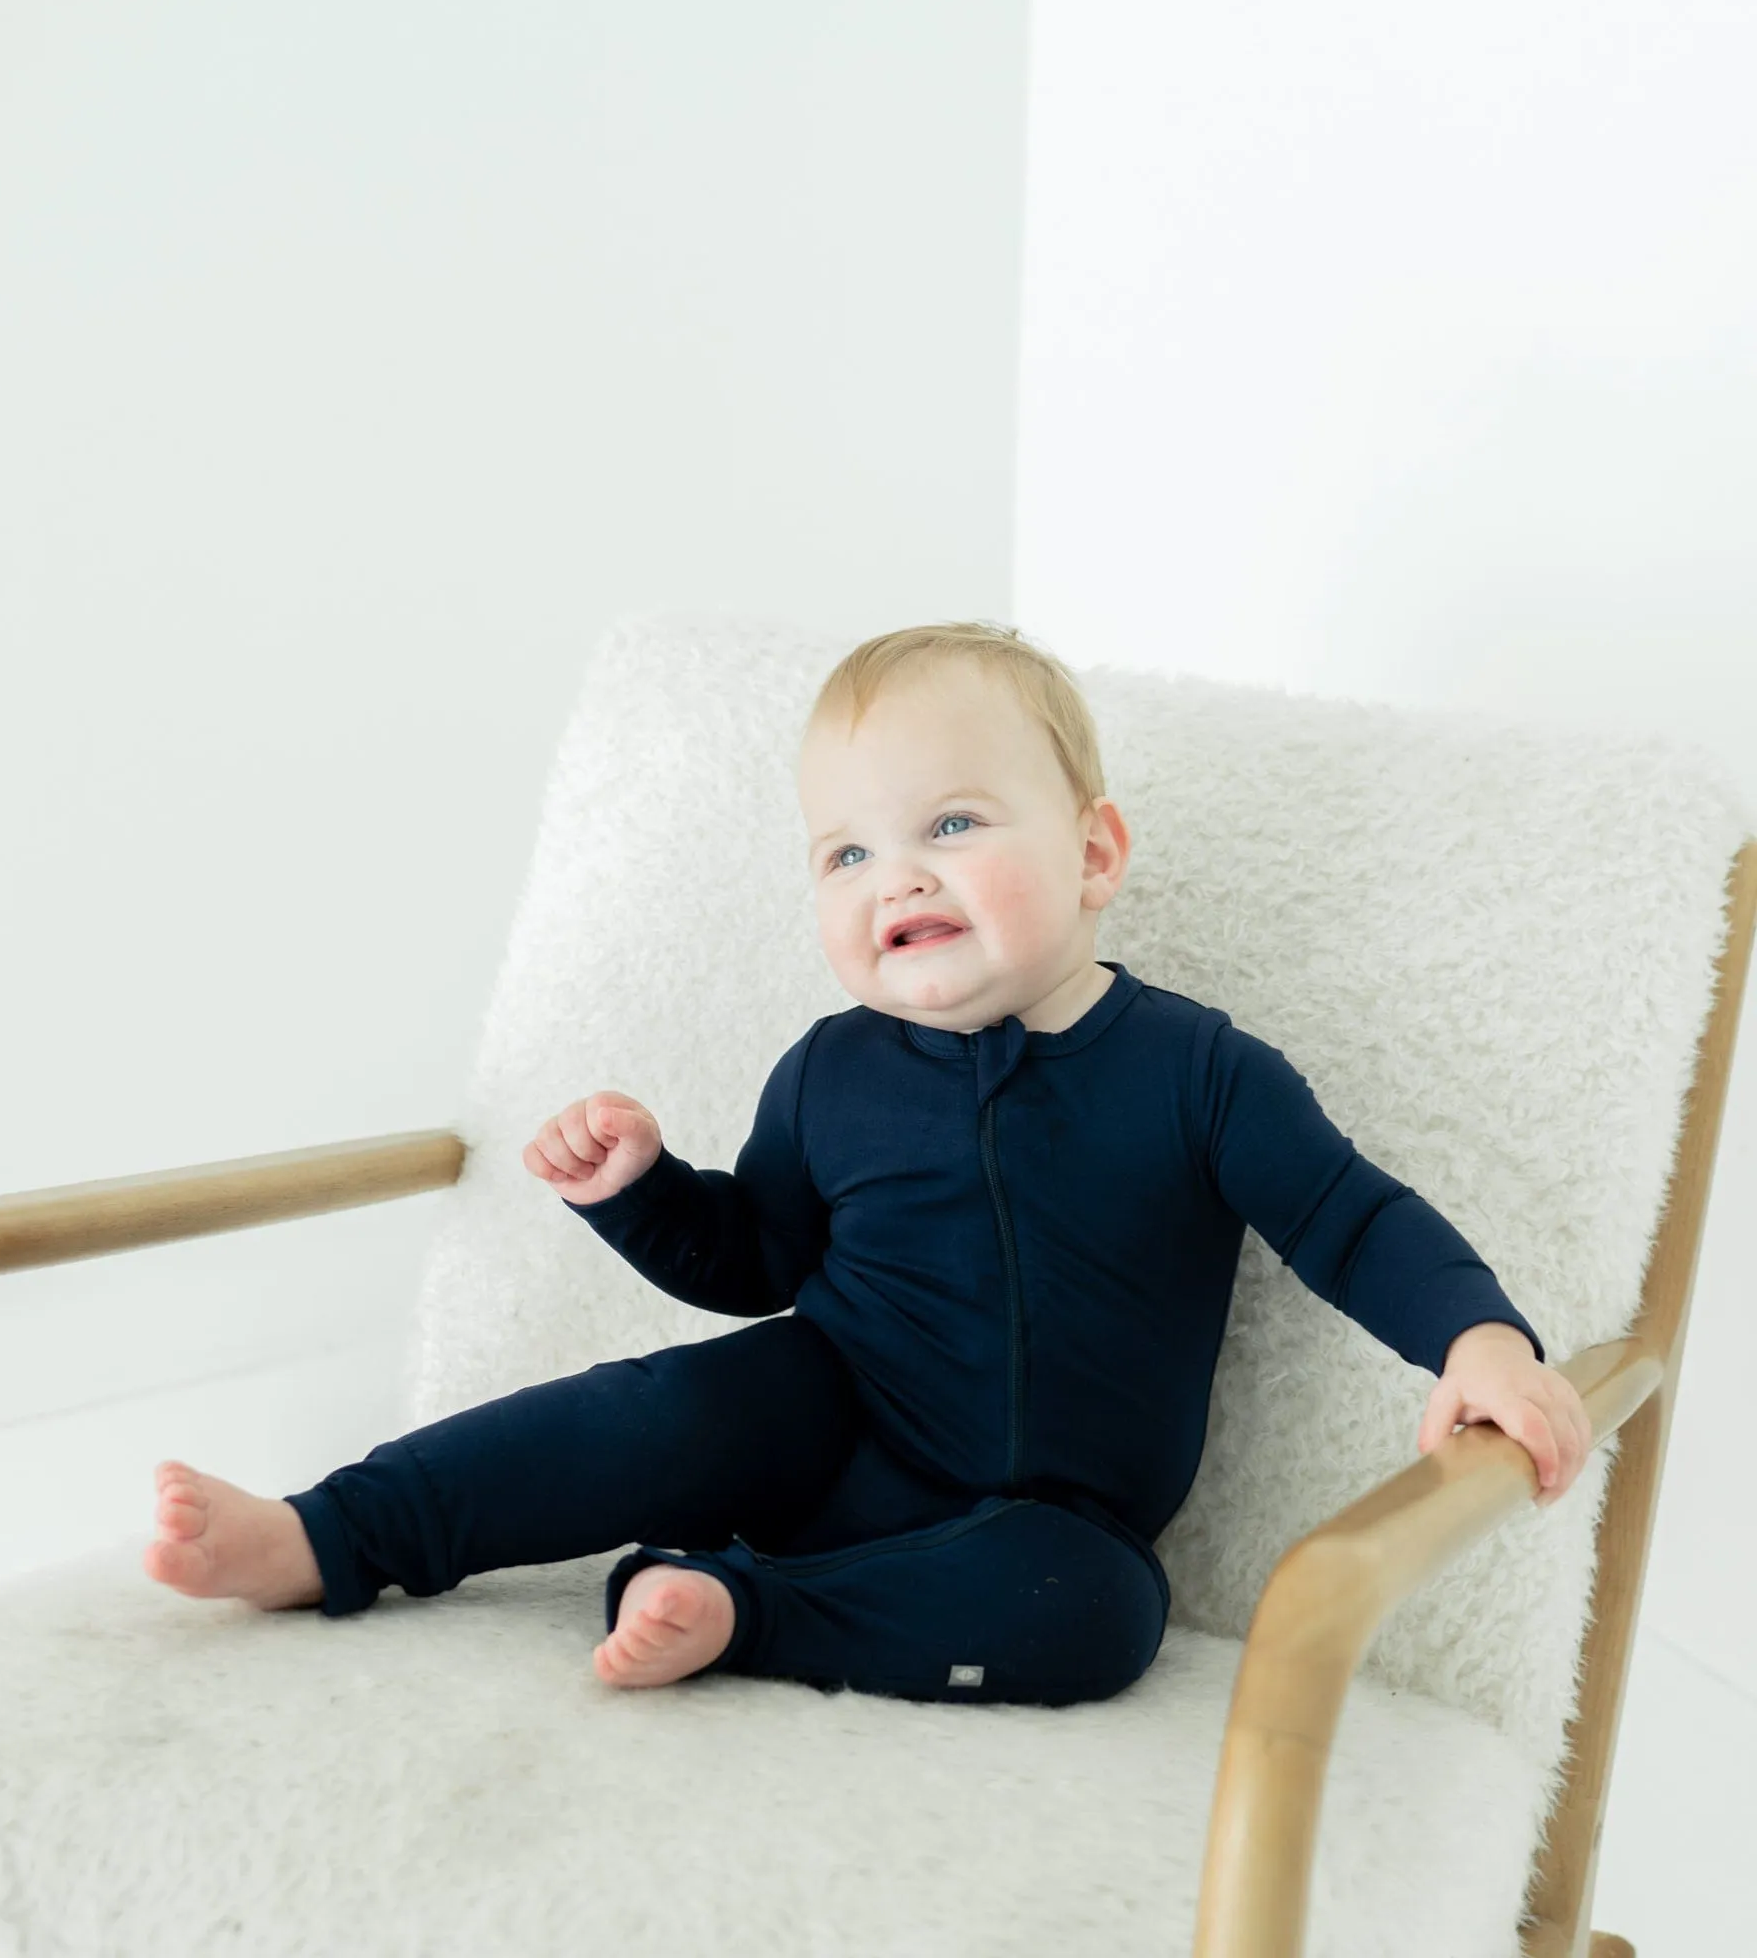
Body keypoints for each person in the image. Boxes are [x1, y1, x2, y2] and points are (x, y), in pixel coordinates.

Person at [142, 621, 1592, 1707]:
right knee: (662, 1408)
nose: (894, 876)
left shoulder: (1198, 1072)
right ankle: (331, 1536)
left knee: (1100, 1620)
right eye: (844, 853)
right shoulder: (831, 1070)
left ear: (1095, 854)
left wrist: (1478, 1340)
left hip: (1050, 1516)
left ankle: (740, 1610)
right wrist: (638, 1190)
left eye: (953, 825)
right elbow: (750, 1260)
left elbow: (1351, 1216)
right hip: (816, 1425)